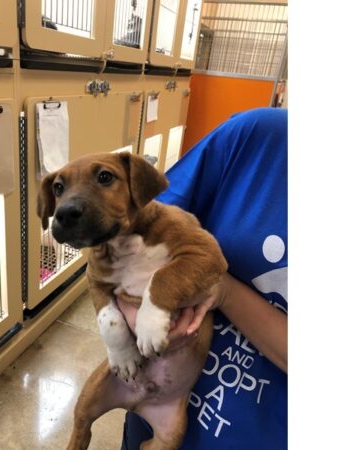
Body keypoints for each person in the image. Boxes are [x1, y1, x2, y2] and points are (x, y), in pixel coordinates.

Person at [117, 107, 288, 449]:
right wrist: (128, 315)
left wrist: (223, 291)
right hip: (151, 402)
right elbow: (133, 233)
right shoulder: (258, 135)